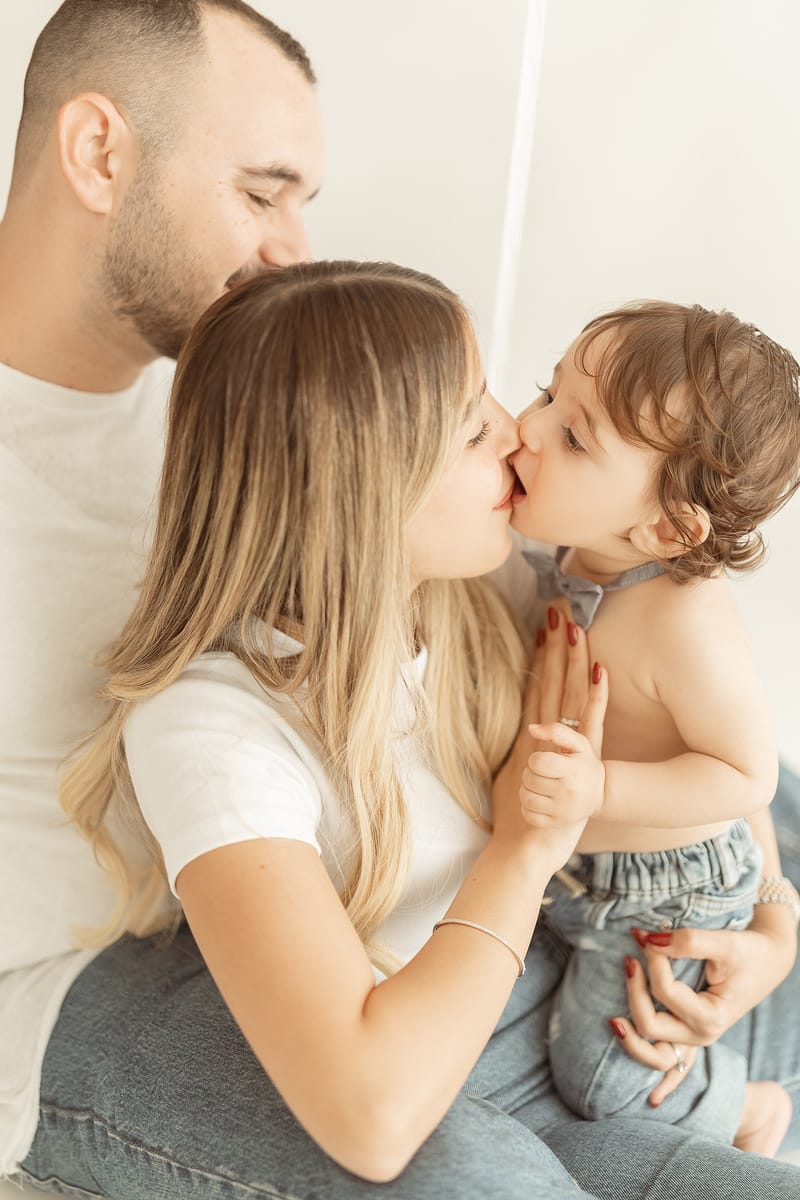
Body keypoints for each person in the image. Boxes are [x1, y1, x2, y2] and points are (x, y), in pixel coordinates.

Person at [22, 259, 796, 1200]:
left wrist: (770, 930)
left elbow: (711, 747)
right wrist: (524, 844)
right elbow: (377, 1115)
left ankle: (742, 1093)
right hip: (475, 1049)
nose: (517, 429)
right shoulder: (212, 728)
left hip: (596, 970)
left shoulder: (493, 579)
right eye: (475, 423)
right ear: (367, 491)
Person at [0, 0, 322, 1182]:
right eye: (258, 193)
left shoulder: (236, 405)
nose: (292, 248)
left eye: (302, 203)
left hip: (264, 900)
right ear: (99, 154)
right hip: (55, 989)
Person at [506, 300, 800, 1153]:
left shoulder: (681, 620)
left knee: (599, 1078)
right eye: (544, 395)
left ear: (666, 528)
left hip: (667, 884)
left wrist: (603, 786)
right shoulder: (578, 548)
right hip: (580, 866)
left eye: (573, 438)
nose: (526, 429)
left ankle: (748, 1108)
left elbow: (746, 774)